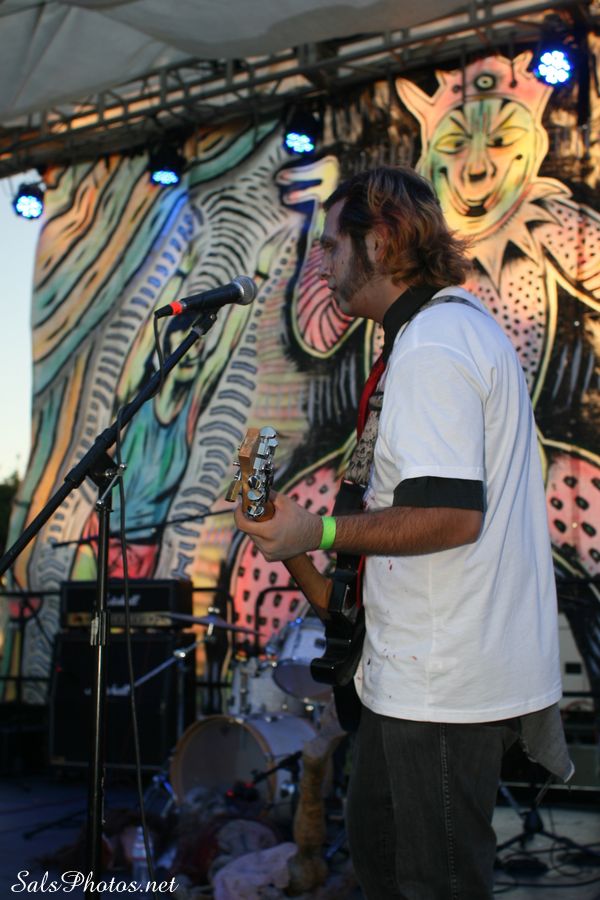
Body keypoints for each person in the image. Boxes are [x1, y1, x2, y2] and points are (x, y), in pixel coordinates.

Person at [234, 165, 567, 899]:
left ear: (380, 242)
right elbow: (357, 583)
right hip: (409, 678)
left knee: (432, 883)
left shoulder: (435, 343)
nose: (320, 261)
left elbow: (450, 516)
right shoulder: (423, 338)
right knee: (383, 866)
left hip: (439, 689)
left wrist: (317, 527)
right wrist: (290, 541)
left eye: (331, 244)